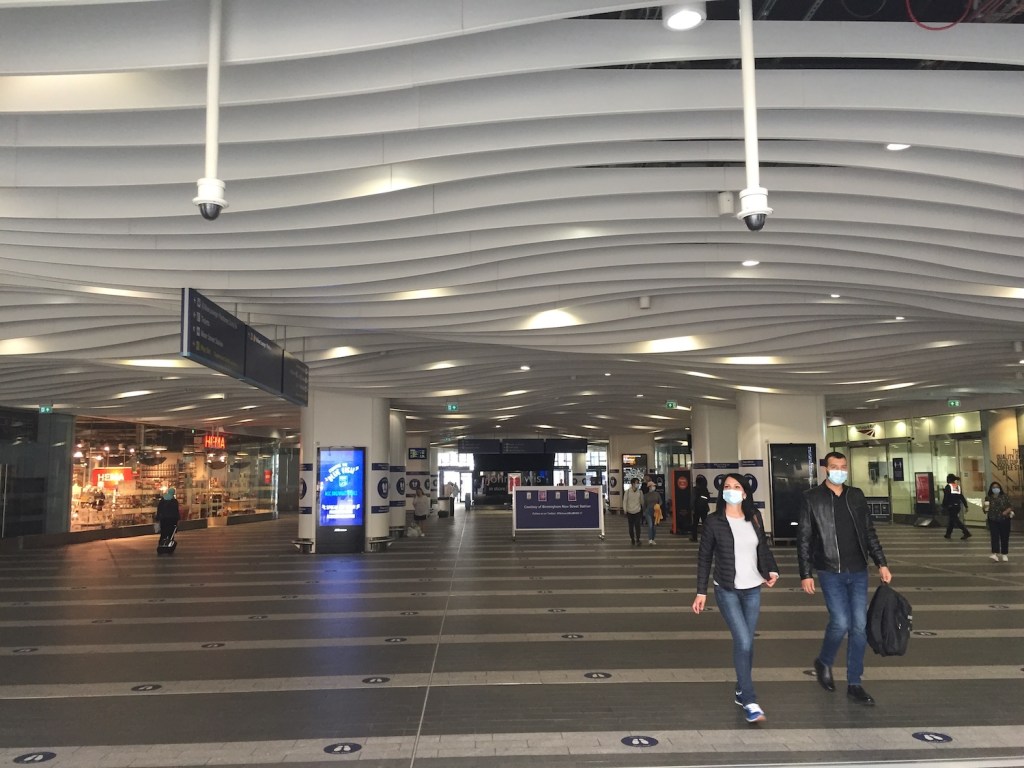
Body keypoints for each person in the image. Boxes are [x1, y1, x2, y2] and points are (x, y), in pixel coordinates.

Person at [798, 451, 892, 706]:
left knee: (859, 627)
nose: (839, 470)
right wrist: (806, 574)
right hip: (830, 570)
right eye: (834, 466)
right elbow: (804, 538)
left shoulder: (856, 495)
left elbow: (869, 532)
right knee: (840, 622)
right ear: (826, 469)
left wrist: (881, 562)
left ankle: (854, 683)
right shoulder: (812, 498)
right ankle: (824, 661)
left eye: (843, 466)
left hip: (858, 569)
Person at [692, 473, 779, 724]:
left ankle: (741, 689)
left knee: (747, 643)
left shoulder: (754, 516)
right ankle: (750, 700)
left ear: (745, 492)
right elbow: (704, 557)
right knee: (743, 641)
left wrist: (772, 570)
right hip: (727, 589)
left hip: (753, 588)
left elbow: (762, 547)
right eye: (727, 487)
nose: (731, 490)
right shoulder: (714, 521)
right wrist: (701, 591)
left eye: (736, 486)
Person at [984, 481, 1014, 562]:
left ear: (1000, 488)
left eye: (997, 487)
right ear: (991, 489)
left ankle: (1004, 554)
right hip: (993, 520)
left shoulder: (1004, 496)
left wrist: (1006, 512)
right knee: (994, 537)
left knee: (1004, 537)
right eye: (993, 487)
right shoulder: (988, 497)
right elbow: (985, 509)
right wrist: (985, 507)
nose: (995, 489)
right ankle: (995, 553)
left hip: (1004, 519)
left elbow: (1011, 506)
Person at [942, 473, 971, 540]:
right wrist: (966, 505)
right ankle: (948, 534)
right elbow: (961, 496)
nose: (946, 480)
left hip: (951, 506)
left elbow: (946, 497)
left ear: (949, 479)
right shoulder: (957, 486)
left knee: (955, 520)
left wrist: (943, 505)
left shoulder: (948, 486)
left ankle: (966, 532)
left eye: (947, 478)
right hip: (957, 506)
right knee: (952, 519)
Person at [622, 477, 644, 546]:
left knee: (637, 526)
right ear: (633, 484)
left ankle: (638, 539)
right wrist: (625, 510)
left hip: (637, 511)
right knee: (631, 527)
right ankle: (632, 539)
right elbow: (625, 501)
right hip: (629, 511)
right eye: (637, 483)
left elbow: (642, 501)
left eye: (638, 483)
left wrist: (642, 508)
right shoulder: (627, 492)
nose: (638, 484)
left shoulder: (640, 492)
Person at [691, 474, 711, 542]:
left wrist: (692, 508)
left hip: (696, 509)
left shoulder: (695, 489)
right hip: (704, 509)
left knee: (695, 524)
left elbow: (692, 499)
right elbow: (708, 499)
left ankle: (694, 538)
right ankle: (706, 538)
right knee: (705, 524)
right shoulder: (705, 489)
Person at [642, 480, 662, 546]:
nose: (654, 487)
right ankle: (650, 540)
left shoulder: (657, 494)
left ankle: (653, 539)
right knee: (650, 525)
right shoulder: (646, 495)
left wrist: (658, 505)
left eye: (654, 486)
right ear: (649, 487)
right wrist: (644, 512)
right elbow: (644, 505)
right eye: (653, 486)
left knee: (654, 526)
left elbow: (660, 501)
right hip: (648, 512)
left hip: (655, 512)